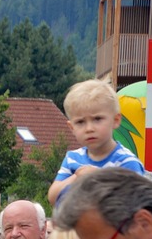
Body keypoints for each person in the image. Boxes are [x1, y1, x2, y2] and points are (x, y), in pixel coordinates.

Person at [46, 78, 145, 207]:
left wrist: (100, 179)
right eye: (80, 122)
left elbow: (137, 203)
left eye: (97, 119)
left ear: (116, 120)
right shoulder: (73, 159)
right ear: (72, 128)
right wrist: (78, 178)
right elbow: (53, 197)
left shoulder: (126, 162)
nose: (89, 128)